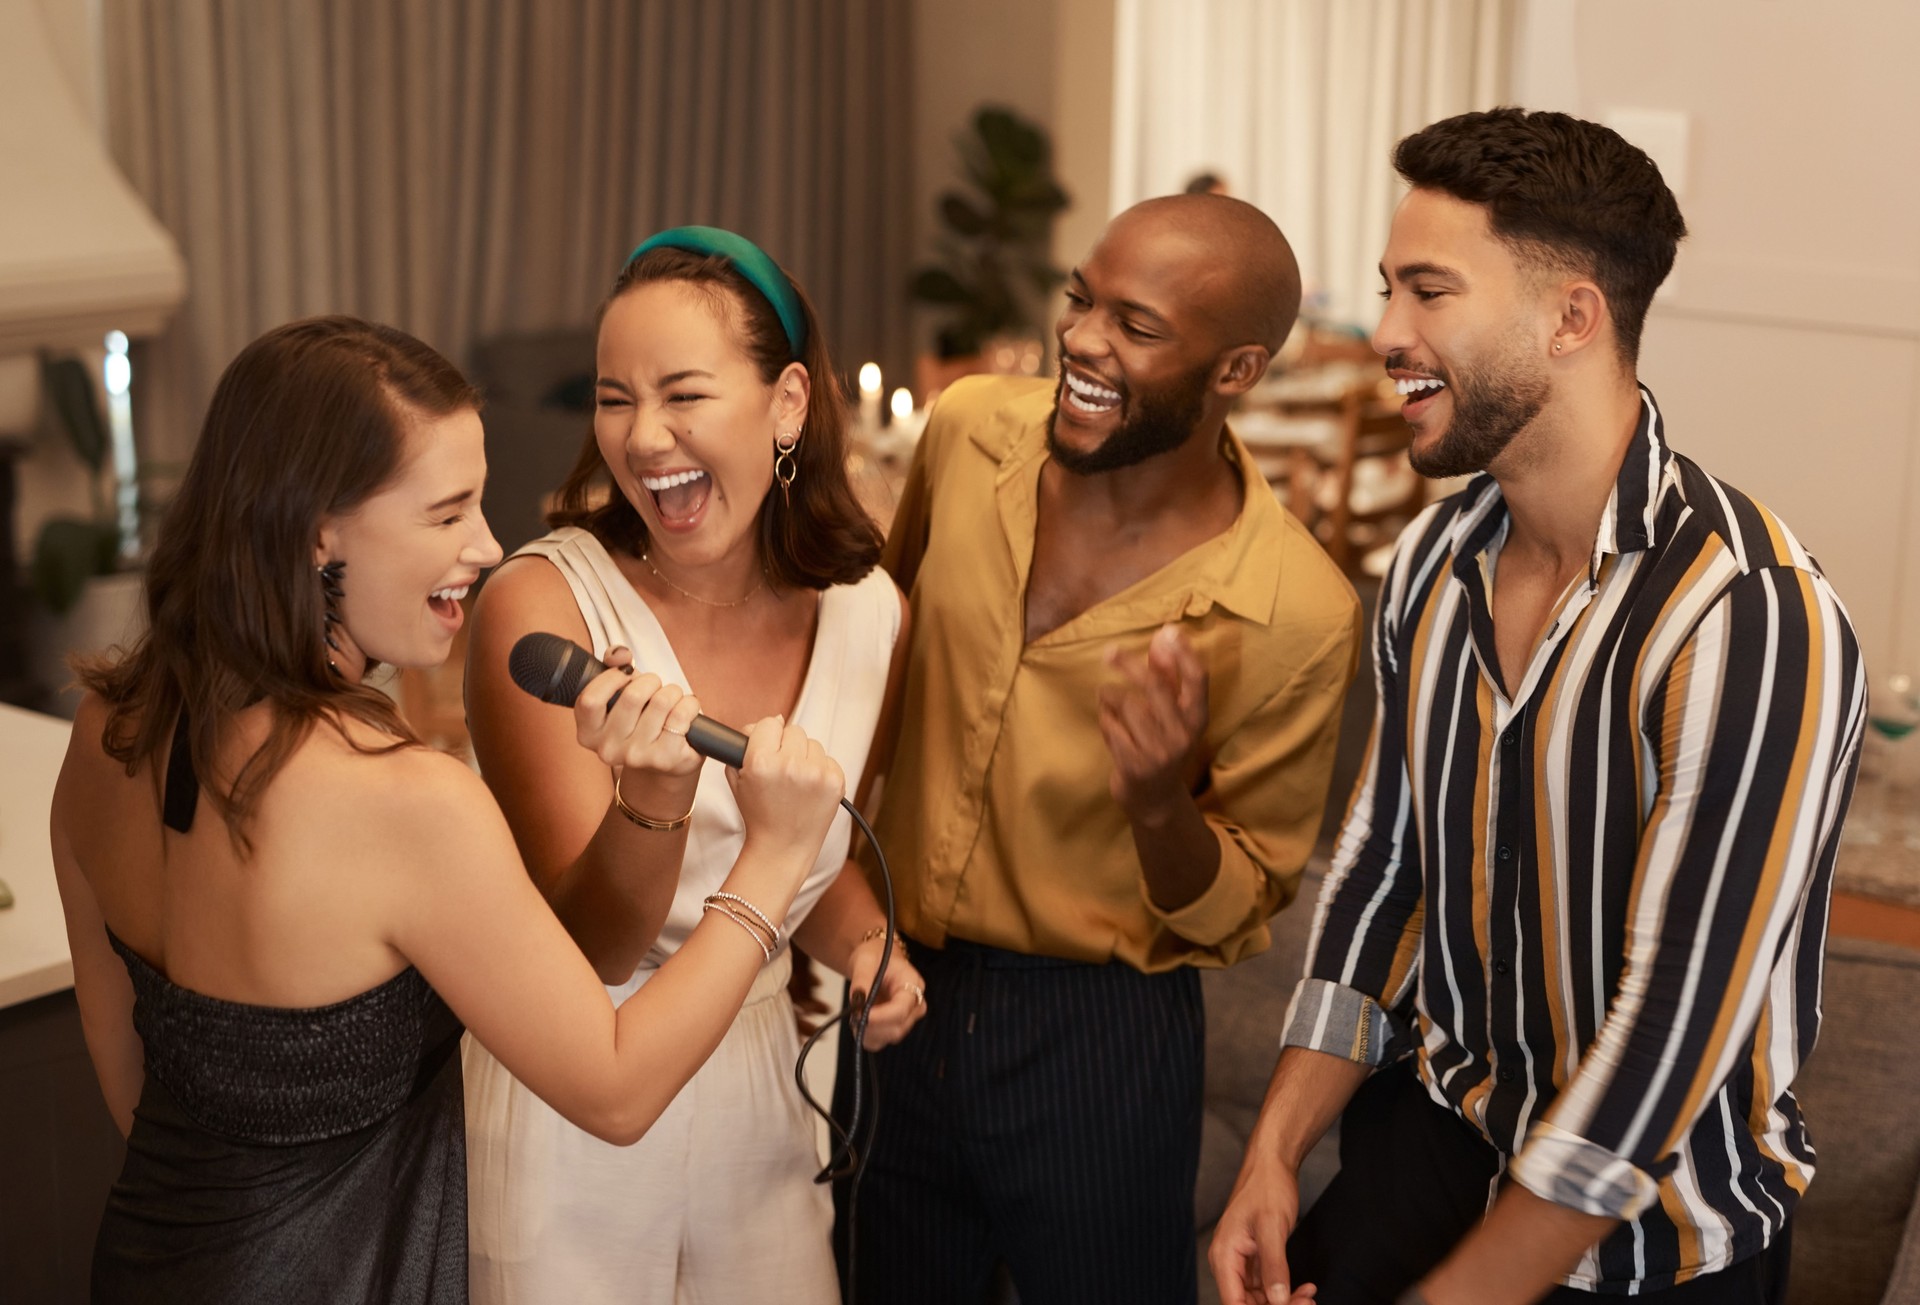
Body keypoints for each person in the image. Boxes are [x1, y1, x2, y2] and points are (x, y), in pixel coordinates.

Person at [49, 316, 846, 1304]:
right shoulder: (404, 800)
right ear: (316, 529)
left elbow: (124, 1065)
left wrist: (650, 797)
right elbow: (617, 1087)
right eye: (447, 514)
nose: (487, 545)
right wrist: (772, 858)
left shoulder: (104, 731)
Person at [1209, 108, 1865, 1305]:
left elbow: (1666, 1045)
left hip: (1657, 1242)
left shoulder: (1751, 616)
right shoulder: (1427, 564)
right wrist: (1272, 1156)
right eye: (1385, 290)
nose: (1387, 334)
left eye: (1429, 291)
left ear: (1573, 316)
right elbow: (1377, 880)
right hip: (1437, 1146)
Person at [840, 194, 1363, 1305]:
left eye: (1137, 324)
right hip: (891, 985)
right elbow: (877, 653)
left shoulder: (1298, 613)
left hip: (1098, 1041)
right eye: (1082, 300)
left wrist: (1158, 801)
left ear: (1235, 371)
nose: (1081, 338)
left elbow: (1241, 907)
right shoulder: (969, 426)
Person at [460, 227, 926, 1304]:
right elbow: (589, 943)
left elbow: (805, 842)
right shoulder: (542, 605)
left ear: (790, 404)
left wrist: (867, 950)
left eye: (683, 394)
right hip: (575, 1096)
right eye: (613, 397)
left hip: (766, 1078)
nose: (642, 436)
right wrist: (652, 806)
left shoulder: (870, 613)